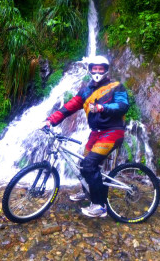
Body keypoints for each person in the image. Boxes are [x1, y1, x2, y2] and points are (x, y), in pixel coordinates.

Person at [45, 55, 129, 218]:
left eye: (101, 68)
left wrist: (102, 107)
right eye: (94, 68)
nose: (97, 71)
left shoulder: (117, 87)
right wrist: (51, 120)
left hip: (113, 131)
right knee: (83, 164)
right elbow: (69, 107)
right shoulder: (85, 91)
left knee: (89, 164)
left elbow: (122, 106)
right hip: (96, 133)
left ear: (106, 70)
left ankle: (99, 206)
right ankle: (89, 191)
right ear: (90, 70)